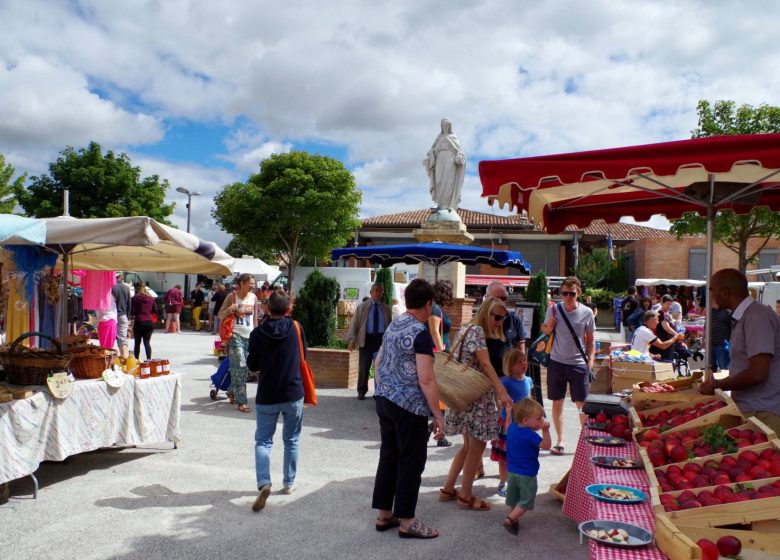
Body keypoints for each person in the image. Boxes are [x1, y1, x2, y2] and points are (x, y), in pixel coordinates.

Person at [371, 279, 443, 539]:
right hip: (409, 407)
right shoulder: (420, 334)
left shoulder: (394, 324)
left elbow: (378, 360)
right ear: (428, 304)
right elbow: (426, 379)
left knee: (389, 457)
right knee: (411, 461)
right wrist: (438, 413)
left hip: (385, 401)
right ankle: (407, 520)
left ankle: (384, 514)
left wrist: (382, 389)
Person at [439, 297, 513, 512]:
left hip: (462, 393)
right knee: (477, 446)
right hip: (475, 396)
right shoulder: (478, 331)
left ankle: (448, 489)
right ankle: (465, 495)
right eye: (497, 317)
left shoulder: (466, 328)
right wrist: (501, 391)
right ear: (486, 312)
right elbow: (486, 364)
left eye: (502, 318)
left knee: (468, 446)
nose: (499, 322)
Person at [701, 269, 780, 434]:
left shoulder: (757, 317)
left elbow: (758, 373)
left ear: (725, 292)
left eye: (713, 291)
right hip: (752, 410)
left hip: (764, 413)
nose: (712, 296)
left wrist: (719, 385)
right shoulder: (744, 317)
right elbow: (745, 367)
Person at [247, 290, 305, 511]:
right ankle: (289, 483)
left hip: (267, 394)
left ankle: (264, 482)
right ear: (288, 308)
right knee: (292, 439)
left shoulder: (257, 334)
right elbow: (303, 356)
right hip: (293, 392)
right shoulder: (296, 328)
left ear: (267, 309)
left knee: (263, 441)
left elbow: (253, 366)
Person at [541, 276, 595, 456]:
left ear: (578, 293)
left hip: (578, 364)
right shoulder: (554, 309)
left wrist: (590, 362)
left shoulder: (587, 312)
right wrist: (550, 326)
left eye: (571, 293)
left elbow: (591, 341)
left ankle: (586, 441)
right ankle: (560, 440)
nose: (568, 297)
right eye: (564, 293)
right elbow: (545, 330)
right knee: (557, 403)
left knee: (582, 405)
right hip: (557, 362)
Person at [501, 398, 551, 535]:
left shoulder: (512, 429)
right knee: (526, 500)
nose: (541, 421)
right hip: (527, 474)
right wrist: (545, 431)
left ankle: (514, 520)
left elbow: (507, 424)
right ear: (525, 420)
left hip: (512, 472)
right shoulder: (531, 435)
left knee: (514, 497)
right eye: (538, 419)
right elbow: (547, 446)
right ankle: (510, 519)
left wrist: (509, 413)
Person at [491, 349, 533, 498]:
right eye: (519, 362)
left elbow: (529, 400)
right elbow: (500, 401)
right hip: (508, 423)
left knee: (520, 454)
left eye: (524, 360)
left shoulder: (528, 380)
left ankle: (517, 480)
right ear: (510, 366)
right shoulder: (505, 382)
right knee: (505, 456)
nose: (524, 363)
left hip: (524, 424)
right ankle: (504, 482)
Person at [217, 273, 257, 413]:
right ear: (242, 283)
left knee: (243, 368)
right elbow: (220, 315)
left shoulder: (254, 297)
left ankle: (231, 391)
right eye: (250, 283)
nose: (253, 285)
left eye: (253, 283)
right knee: (240, 365)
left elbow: (255, 318)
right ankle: (242, 402)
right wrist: (231, 309)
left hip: (249, 336)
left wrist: (256, 335)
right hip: (234, 335)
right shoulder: (231, 296)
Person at [346, 283, 391, 400]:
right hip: (366, 339)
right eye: (376, 290)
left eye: (380, 291)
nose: (378, 293)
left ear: (382, 293)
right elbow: (354, 324)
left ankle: (378, 392)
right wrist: (352, 340)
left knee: (380, 367)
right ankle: (361, 391)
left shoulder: (386, 309)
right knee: (364, 367)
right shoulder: (362, 307)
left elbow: (390, 327)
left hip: (381, 340)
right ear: (371, 292)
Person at [425, 279, 454, 448]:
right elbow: (435, 331)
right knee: (442, 397)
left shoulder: (437, 308)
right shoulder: (435, 308)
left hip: (439, 355)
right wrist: (443, 354)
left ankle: (433, 429)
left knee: (442, 397)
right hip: (438, 356)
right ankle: (439, 433)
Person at [423, 117, 465, 213]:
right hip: (439, 160)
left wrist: (460, 157)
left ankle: (448, 205)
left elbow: (459, 151)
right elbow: (432, 150)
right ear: (441, 126)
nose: (445, 126)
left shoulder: (453, 137)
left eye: (447, 125)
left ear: (450, 126)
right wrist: (430, 158)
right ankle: (440, 204)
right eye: (444, 125)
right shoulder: (439, 137)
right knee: (439, 181)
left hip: (450, 161)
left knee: (448, 181)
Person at [485, 281, 526, 375]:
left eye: (503, 298)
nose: (500, 301)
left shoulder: (514, 320)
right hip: (484, 376)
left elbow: (521, 349)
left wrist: (521, 373)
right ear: (487, 298)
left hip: (508, 374)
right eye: (495, 298)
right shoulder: (480, 322)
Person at [130, 282, 156, 360]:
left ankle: (136, 361)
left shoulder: (135, 298)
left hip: (139, 322)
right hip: (149, 322)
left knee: (137, 343)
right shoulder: (151, 298)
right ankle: (149, 360)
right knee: (147, 343)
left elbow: (133, 311)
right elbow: (155, 310)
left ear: (135, 289)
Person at [111, 272, 131, 359]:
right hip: (123, 315)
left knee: (110, 338)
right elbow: (129, 304)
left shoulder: (112, 287)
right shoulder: (126, 288)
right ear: (121, 277)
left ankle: (112, 359)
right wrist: (127, 316)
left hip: (112, 316)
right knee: (122, 338)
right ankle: (125, 358)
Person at [710, 301, 732, 372]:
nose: (712, 301)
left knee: (724, 368)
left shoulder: (727, 312)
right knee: (710, 368)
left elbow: (733, 328)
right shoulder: (711, 312)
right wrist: (703, 339)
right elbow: (706, 327)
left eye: (714, 300)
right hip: (710, 344)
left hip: (722, 345)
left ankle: (726, 383)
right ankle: (712, 382)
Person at [655, 294, 678, 361]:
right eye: (667, 304)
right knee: (666, 362)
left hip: (669, 342)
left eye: (670, 304)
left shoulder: (667, 314)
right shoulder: (661, 313)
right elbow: (666, 328)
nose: (669, 306)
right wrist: (677, 335)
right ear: (662, 303)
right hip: (664, 342)